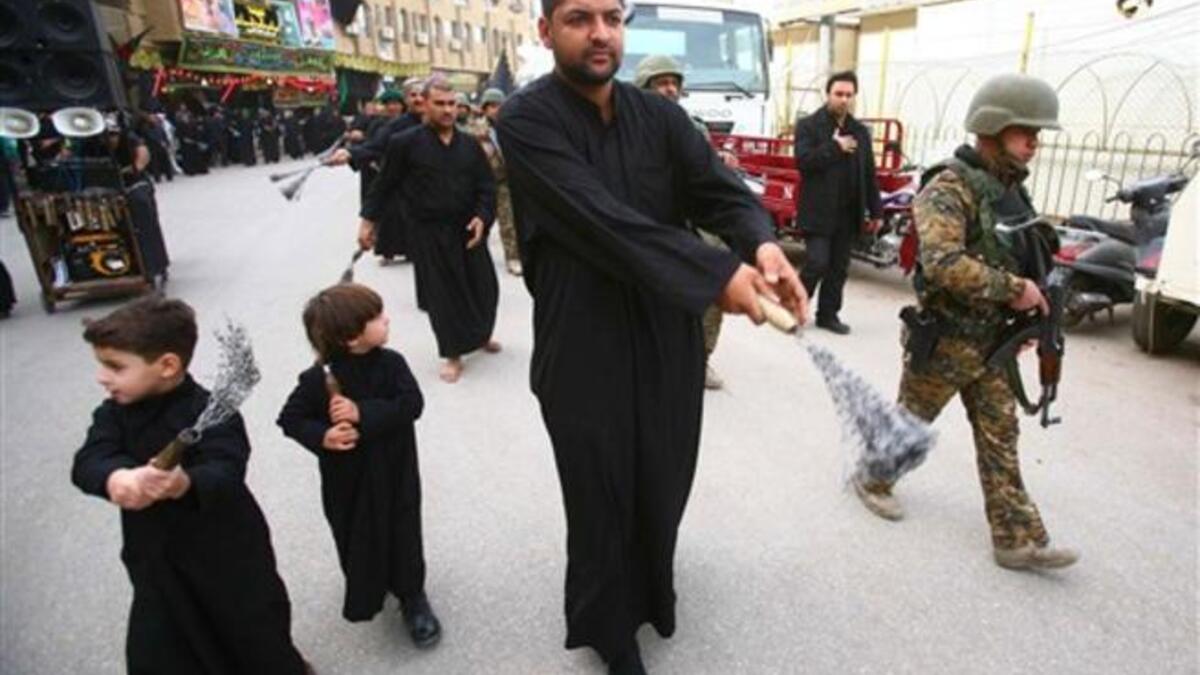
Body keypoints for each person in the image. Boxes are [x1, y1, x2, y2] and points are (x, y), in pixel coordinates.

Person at [496, 0, 807, 671]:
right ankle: (611, 631)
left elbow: (719, 190)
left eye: (612, 15)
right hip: (581, 338)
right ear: (547, 31)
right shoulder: (526, 120)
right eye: (580, 17)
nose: (601, 32)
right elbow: (600, 219)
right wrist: (716, 270)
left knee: (663, 474)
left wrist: (761, 245)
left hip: (666, 333)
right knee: (600, 488)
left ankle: (652, 592)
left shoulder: (660, 117)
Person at [850, 73, 1080, 572]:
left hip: (994, 344)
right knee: (910, 423)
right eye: (1027, 133)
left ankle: (1015, 539)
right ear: (994, 129)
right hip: (948, 341)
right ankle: (872, 479)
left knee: (1001, 436)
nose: (1034, 144)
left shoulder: (1008, 191)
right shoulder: (948, 188)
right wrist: (1015, 290)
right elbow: (943, 263)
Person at [71, 296, 312, 674]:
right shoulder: (113, 414)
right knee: (163, 648)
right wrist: (117, 476)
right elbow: (89, 459)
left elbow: (226, 467)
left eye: (115, 367)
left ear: (168, 364)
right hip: (156, 558)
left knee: (253, 634)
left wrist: (184, 483)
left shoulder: (211, 411)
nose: (103, 377)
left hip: (227, 553)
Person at [277, 283, 442, 646]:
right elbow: (290, 419)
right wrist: (323, 436)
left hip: (395, 472)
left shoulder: (392, 364)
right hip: (346, 480)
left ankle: (412, 597)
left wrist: (361, 413)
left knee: (403, 532)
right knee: (355, 535)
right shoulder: (318, 379)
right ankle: (370, 585)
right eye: (377, 317)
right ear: (351, 338)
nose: (387, 320)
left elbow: (412, 404)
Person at [360, 78, 500, 384]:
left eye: (452, 104)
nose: (448, 110)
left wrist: (482, 217)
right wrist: (368, 221)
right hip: (429, 231)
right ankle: (452, 353)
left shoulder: (470, 145)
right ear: (424, 104)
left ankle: (481, 334)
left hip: (468, 229)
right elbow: (384, 185)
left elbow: (486, 188)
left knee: (485, 289)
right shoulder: (406, 143)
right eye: (440, 103)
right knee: (444, 296)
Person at [634, 53, 735, 390]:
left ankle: (700, 358)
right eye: (662, 83)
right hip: (649, 226)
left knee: (712, 289)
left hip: (693, 224)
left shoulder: (695, 128)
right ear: (645, 87)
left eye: (674, 83)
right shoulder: (627, 130)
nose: (670, 90)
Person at [793, 70, 882, 335]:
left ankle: (828, 315)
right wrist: (834, 147)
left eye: (848, 95)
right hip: (818, 211)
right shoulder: (809, 126)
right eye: (838, 94)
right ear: (828, 94)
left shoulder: (859, 132)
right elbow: (804, 162)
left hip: (848, 212)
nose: (843, 100)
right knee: (817, 263)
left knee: (838, 268)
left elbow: (868, 172)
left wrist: (876, 210)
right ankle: (794, 308)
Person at [474, 87, 522, 276]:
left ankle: (513, 257)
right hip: (486, 180)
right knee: (482, 220)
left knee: (509, 220)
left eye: (499, 105)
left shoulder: (513, 126)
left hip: (509, 179)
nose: (496, 109)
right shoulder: (477, 129)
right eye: (491, 106)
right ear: (484, 109)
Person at [175, 109, 209, 176]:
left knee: (197, 156)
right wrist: (184, 139)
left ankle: (200, 169)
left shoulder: (192, 123)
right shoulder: (180, 124)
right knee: (188, 157)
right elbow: (178, 134)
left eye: (186, 115)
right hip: (185, 143)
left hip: (194, 142)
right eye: (183, 116)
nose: (185, 117)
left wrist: (196, 139)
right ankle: (190, 171)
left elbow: (196, 131)